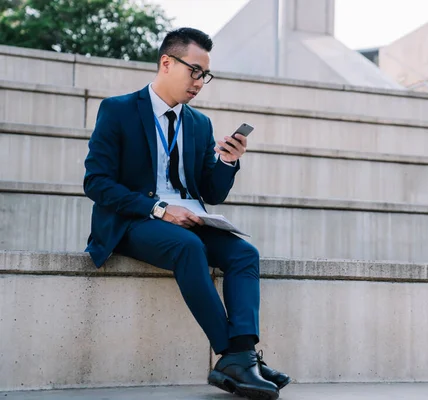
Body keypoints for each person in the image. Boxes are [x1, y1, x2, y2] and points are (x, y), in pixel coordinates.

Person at [83, 27, 289, 400]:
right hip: (134, 220)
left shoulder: (199, 123)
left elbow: (211, 192)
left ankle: (243, 354)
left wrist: (227, 161)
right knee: (187, 248)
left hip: (190, 218)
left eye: (205, 75)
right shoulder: (118, 110)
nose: (199, 82)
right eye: (194, 70)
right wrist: (160, 209)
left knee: (245, 254)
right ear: (166, 62)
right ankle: (233, 357)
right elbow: (96, 183)